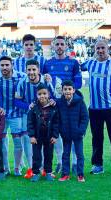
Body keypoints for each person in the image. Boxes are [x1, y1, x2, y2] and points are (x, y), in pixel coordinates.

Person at [81, 39, 111, 175]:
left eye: (102, 48)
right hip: (94, 108)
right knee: (96, 138)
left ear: (107, 49)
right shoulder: (90, 63)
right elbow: (77, 67)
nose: (100, 51)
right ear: (94, 49)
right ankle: (97, 165)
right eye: (98, 48)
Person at [44, 35, 82, 174]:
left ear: (66, 46)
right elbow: (45, 83)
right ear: (53, 46)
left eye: (62, 44)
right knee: (56, 133)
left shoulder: (73, 62)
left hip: (69, 104)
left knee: (71, 133)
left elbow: (78, 82)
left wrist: (68, 93)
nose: (59, 47)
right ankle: (60, 162)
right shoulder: (47, 63)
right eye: (57, 44)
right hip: (54, 104)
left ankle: (74, 162)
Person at [15, 59, 55, 178]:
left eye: (34, 69)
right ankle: (31, 168)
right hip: (29, 116)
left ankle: (46, 169)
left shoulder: (46, 81)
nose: (31, 72)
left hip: (46, 116)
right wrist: (28, 106)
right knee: (30, 141)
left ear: (38, 70)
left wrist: (53, 101)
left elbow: (54, 97)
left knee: (47, 141)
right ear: (25, 70)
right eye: (29, 70)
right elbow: (17, 101)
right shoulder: (22, 82)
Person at [0, 55, 25, 176]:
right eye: (2, 65)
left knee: (17, 140)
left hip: (16, 113)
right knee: (1, 141)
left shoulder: (21, 77)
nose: (5, 67)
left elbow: (35, 77)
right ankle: (6, 167)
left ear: (12, 66)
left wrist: (46, 77)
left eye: (7, 65)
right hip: (1, 114)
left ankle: (17, 168)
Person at [56, 80, 89, 182]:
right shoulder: (60, 102)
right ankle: (65, 174)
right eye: (65, 89)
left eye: (69, 89)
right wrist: (61, 130)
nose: (67, 91)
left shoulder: (80, 102)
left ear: (73, 90)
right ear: (62, 90)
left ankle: (80, 174)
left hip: (77, 134)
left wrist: (81, 131)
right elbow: (57, 118)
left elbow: (85, 117)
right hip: (66, 134)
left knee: (79, 154)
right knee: (65, 154)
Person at [27, 83, 59, 182]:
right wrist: (31, 136)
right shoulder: (33, 107)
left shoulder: (53, 107)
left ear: (48, 94)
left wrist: (55, 136)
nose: (42, 96)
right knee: (36, 155)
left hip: (48, 135)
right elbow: (30, 122)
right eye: (40, 94)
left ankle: (48, 172)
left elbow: (56, 122)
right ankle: (36, 173)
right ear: (37, 95)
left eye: (44, 94)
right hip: (37, 136)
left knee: (48, 154)